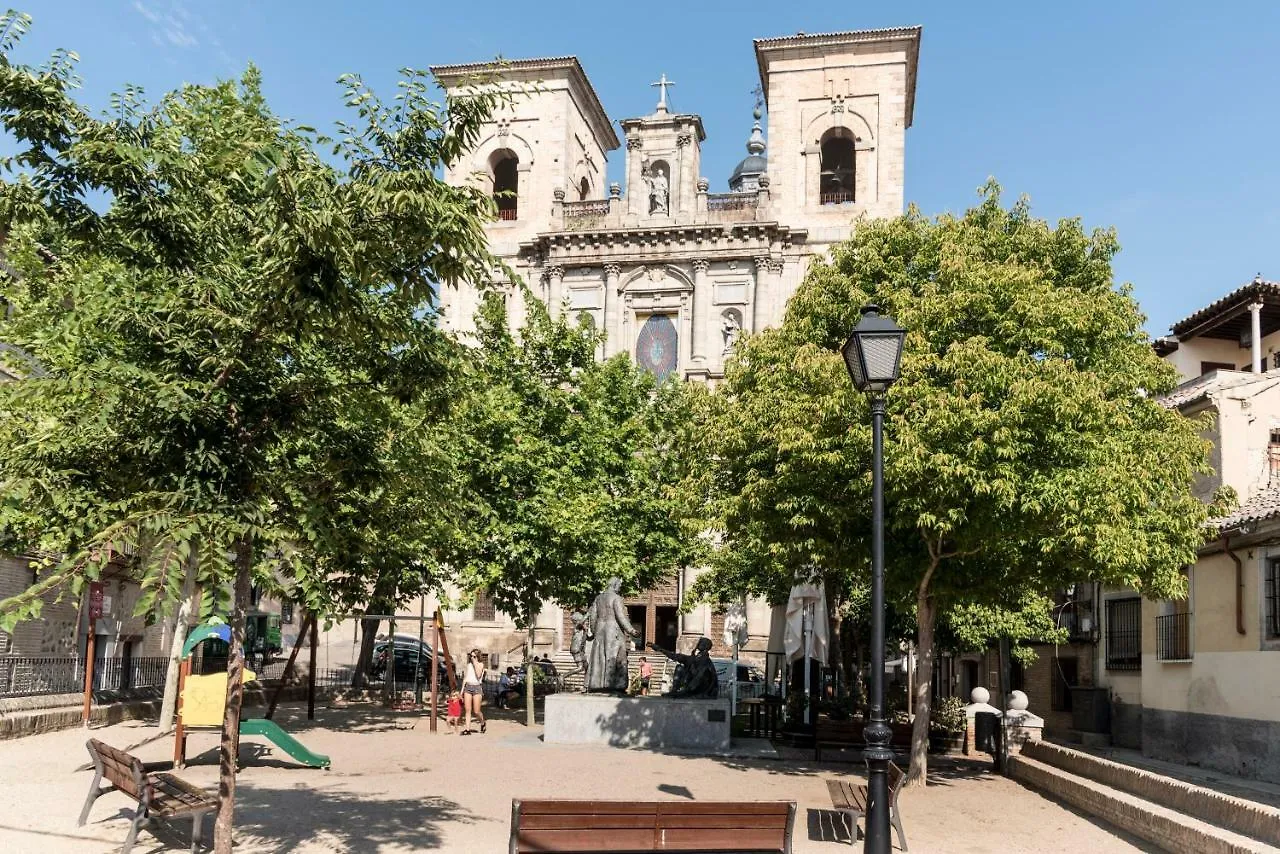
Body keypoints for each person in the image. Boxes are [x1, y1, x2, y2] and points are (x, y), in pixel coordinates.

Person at [584, 577, 640, 692]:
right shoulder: (616, 598)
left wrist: (595, 631)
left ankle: (596, 685)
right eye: (619, 585)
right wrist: (632, 631)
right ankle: (612, 685)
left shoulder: (598, 598)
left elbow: (593, 617)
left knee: (599, 656)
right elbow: (620, 616)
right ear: (615, 585)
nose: (619, 587)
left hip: (600, 629)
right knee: (614, 656)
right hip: (613, 630)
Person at [461, 649, 486, 734]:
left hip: (477, 687)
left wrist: (475, 663)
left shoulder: (481, 664)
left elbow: (478, 675)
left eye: (474, 656)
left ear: (478, 656)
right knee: (467, 710)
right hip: (468, 687)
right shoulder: (469, 665)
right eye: (471, 656)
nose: (472, 658)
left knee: (476, 711)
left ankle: (482, 722)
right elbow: (466, 678)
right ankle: (467, 730)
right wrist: (461, 691)